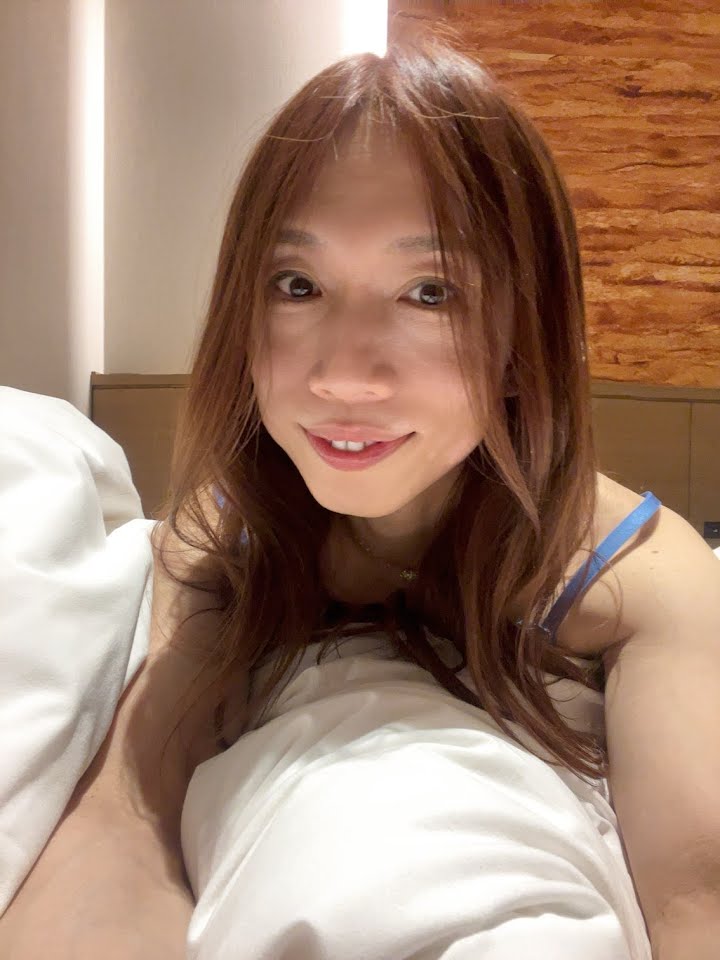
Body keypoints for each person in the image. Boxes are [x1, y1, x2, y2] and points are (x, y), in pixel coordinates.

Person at [3, 24, 720, 960]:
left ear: (524, 330)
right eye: (297, 284)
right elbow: (122, 826)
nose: (343, 375)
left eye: (431, 293)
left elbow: (698, 895)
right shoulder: (232, 539)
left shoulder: (638, 575)